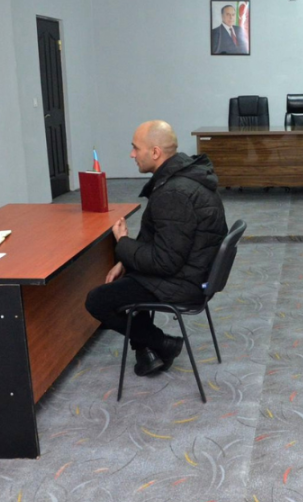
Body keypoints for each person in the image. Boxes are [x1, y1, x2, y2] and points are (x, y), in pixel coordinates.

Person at [85, 121, 228, 377]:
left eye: (135, 148)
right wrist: (126, 260)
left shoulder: (173, 193)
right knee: (127, 278)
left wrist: (122, 243)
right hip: (194, 271)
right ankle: (146, 353)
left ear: (155, 152)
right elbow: (163, 240)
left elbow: (164, 263)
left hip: (184, 282)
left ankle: (163, 343)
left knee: (97, 300)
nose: (132, 154)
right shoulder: (185, 177)